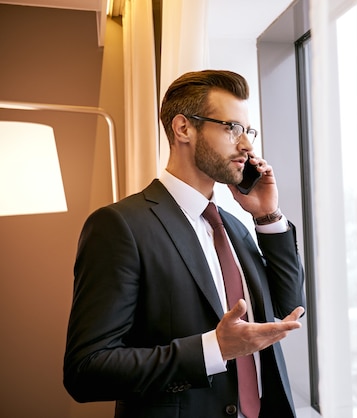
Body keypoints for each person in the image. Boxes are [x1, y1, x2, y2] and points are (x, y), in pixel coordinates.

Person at [63, 69, 306, 418]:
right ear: (183, 128)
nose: (247, 145)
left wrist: (268, 217)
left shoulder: (235, 226)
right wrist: (213, 350)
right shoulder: (120, 226)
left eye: (247, 130)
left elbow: (289, 310)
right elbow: (86, 371)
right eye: (231, 128)